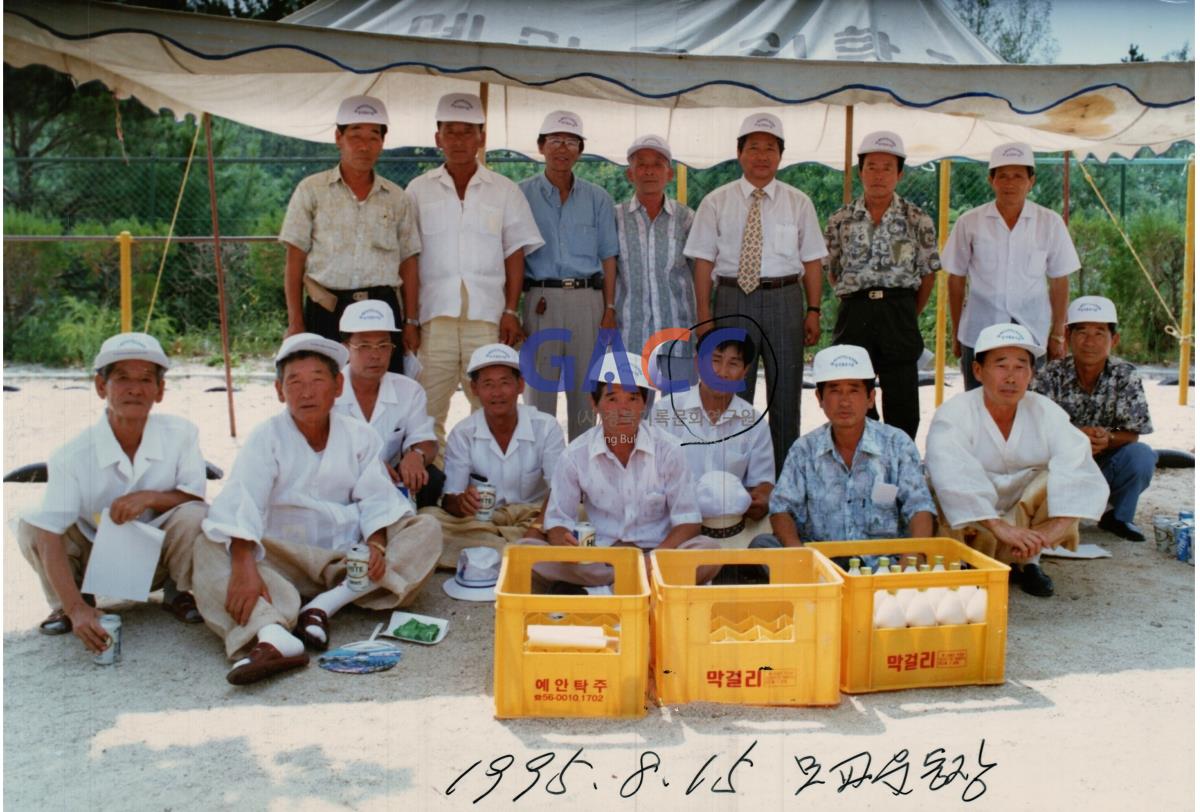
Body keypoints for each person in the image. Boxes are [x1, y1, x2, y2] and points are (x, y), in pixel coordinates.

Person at [193, 334, 442, 684]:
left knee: (426, 529)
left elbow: (377, 500)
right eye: (294, 382)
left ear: (338, 385)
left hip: (346, 561)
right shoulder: (267, 437)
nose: (306, 392)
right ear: (280, 391)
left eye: (317, 380)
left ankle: (324, 606)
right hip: (283, 559)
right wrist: (244, 565)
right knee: (209, 543)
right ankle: (273, 636)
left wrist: (377, 545)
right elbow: (241, 503)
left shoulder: (359, 436)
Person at [17, 332, 208, 652]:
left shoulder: (182, 434)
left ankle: (178, 593)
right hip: (94, 560)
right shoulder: (72, 454)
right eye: (121, 378)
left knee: (196, 515)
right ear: (100, 386)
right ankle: (73, 604)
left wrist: (149, 497)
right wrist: (77, 608)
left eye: (146, 379)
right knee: (34, 523)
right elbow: (49, 533)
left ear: (160, 390)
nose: (135, 389)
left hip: (157, 561)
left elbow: (194, 497)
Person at [685, 112, 827, 475]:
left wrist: (813, 310)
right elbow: (702, 262)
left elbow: (812, 261)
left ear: (780, 155)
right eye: (753, 148)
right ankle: (731, 478)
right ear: (739, 153)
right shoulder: (716, 201)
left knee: (785, 394)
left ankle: (782, 483)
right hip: (732, 299)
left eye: (770, 149)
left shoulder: (799, 202)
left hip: (784, 300)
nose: (761, 156)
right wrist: (705, 316)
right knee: (729, 393)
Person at [404, 92, 545, 450]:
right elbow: (409, 257)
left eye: (468, 132)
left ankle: (486, 484)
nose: (459, 140)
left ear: (482, 136)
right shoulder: (418, 191)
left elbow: (515, 253)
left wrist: (511, 310)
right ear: (437, 138)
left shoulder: (504, 190)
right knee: (425, 408)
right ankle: (433, 486)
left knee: (490, 407)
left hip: (487, 317)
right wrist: (409, 318)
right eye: (450, 132)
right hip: (434, 316)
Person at [926, 323, 1108, 597]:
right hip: (973, 520)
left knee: (1058, 477)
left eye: (1021, 366)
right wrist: (999, 527)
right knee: (938, 485)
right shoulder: (954, 413)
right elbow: (951, 474)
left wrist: (1049, 533)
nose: (1011, 377)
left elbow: (1078, 464)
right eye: (1001, 365)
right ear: (978, 371)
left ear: (1031, 374)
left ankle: (1028, 562)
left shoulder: (1044, 410)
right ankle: (963, 563)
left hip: (1022, 519)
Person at [531, 351, 718, 591]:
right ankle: (635, 588)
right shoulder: (575, 455)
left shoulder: (669, 449)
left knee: (709, 552)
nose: (623, 409)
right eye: (611, 399)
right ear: (594, 403)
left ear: (644, 404)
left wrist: (654, 559)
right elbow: (557, 522)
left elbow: (689, 522)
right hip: (599, 559)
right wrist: (564, 544)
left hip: (656, 554)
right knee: (531, 554)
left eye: (632, 398)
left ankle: (604, 591)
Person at [280, 95, 419, 374]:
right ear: (338, 137)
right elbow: (295, 260)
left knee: (384, 390)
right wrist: (295, 321)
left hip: (381, 312)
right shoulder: (312, 190)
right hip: (326, 309)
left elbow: (409, 262)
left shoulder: (397, 198)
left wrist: (411, 321)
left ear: (382, 143)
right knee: (326, 390)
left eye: (373, 137)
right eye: (355, 135)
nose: (364, 146)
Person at [755, 344, 934, 548]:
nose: (845, 401)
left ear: (870, 398)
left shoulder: (897, 444)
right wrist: (798, 556)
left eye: (854, 390)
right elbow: (781, 508)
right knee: (763, 544)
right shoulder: (804, 449)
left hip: (882, 566)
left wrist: (912, 556)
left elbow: (919, 506)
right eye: (835, 391)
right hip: (820, 566)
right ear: (820, 398)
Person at [822, 130, 940, 439]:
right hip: (855, 312)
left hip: (899, 310)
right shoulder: (840, 219)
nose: (879, 175)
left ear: (900, 174)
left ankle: (900, 467)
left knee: (902, 399)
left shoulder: (918, 219)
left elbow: (929, 272)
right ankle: (862, 459)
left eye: (888, 167)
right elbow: (833, 270)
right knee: (854, 390)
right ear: (860, 171)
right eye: (871, 166)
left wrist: (906, 309)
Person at [943, 141, 1080, 389]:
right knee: (978, 405)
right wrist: (956, 333)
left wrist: (1058, 333)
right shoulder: (969, 222)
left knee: (1031, 407)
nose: (1010, 183)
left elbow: (1059, 279)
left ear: (1031, 182)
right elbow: (956, 278)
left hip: (1032, 331)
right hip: (979, 329)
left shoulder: (1050, 222)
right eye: (1003, 176)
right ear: (991, 180)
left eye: (1018, 176)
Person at [520, 110, 620, 440]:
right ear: (540, 146)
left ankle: (583, 473)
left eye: (571, 142)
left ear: (580, 149)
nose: (563, 149)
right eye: (555, 141)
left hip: (587, 302)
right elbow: (512, 254)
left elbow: (608, 256)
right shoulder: (520, 195)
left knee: (585, 393)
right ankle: (539, 480)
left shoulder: (598, 198)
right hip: (540, 300)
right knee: (539, 394)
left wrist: (609, 308)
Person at [427, 343, 566, 568]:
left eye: (505, 383)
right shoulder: (463, 433)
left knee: (581, 514)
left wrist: (538, 528)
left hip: (534, 516)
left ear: (520, 385)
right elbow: (450, 499)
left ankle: (489, 555)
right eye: (487, 384)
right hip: (482, 522)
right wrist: (462, 503)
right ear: (474, 389)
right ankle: (521, 554)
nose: (497, 393)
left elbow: (561, 490)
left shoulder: (546, 426)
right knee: (429, 521)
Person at [1032, 296, 1156, 541]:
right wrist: (1075, 437)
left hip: (1103, 462)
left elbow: (1134, 432)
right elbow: (1034, 427)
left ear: (1114, 340)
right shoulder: (1049, 374)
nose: (1090, 342)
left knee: (1142, 455)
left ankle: (1118, 517)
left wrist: (1107, 439)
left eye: (1100, 333)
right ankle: (1053, 514)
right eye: (1082, 332)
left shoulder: (1126, 375)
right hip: (1059, 464)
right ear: (1067, 337)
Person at [654, 334, 774, 535]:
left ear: (745, 372)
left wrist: (760, 498)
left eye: (733, 364)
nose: (722, 373)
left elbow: (763, 484)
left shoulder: (754, 424)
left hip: (730, 530)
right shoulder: (666, 412)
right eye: (715, 361)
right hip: (672, 528)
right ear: (697, 364)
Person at [333, 300, 443, 508]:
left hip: (390, 481)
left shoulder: (409, 390)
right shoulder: (327, 390)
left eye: (383, 345)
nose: (375, 355)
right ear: (345, 348)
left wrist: (416, 455)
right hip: (340, 478)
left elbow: (426, 440)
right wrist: (368, 466)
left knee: (432, 478)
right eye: (364, 346)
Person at [613, 134, 698, 393]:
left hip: (678, 333)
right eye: (641, 164)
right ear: (630, 174)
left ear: (669, 174)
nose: (649, 171)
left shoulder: (686, 218)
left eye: (657, 164)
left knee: (680, 417)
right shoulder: (614, 217)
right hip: (630, 335)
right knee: (633, 416)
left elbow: (701, 274)